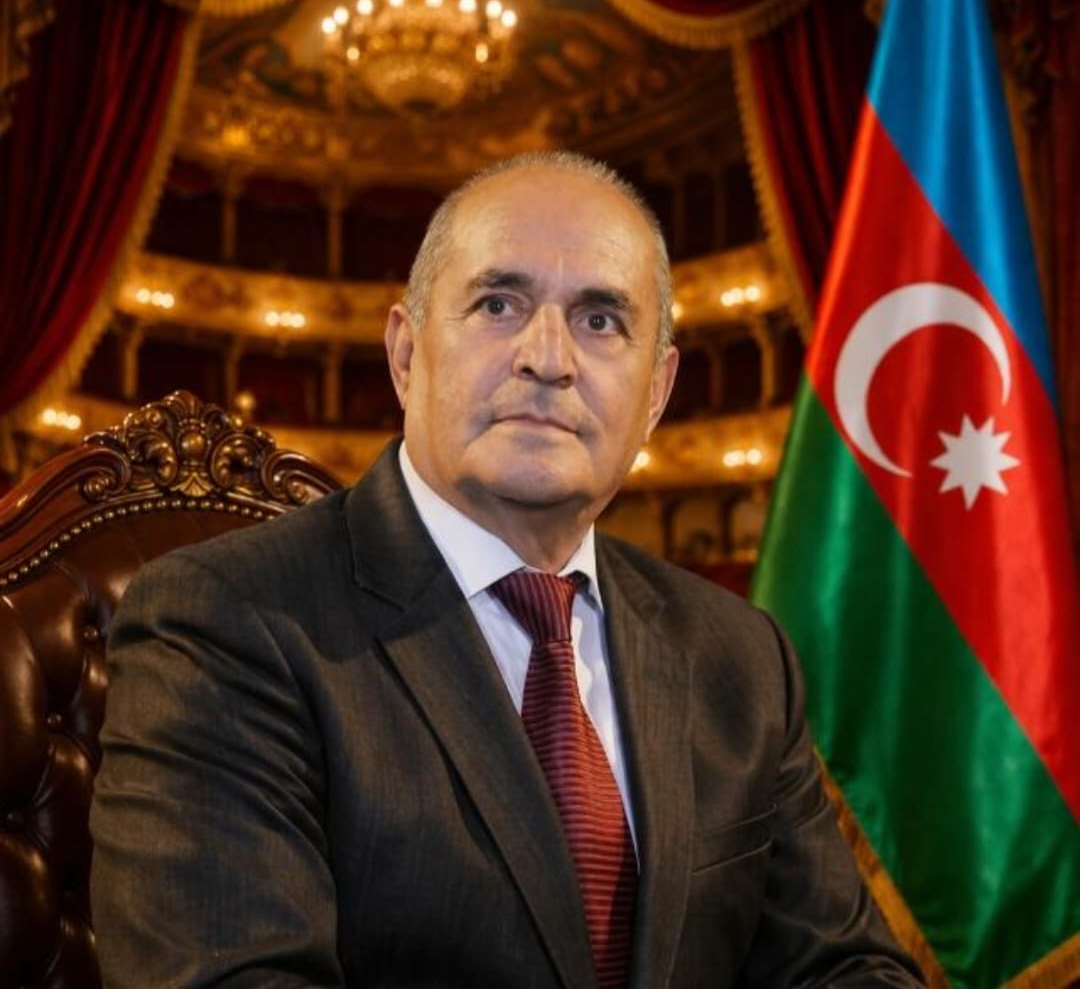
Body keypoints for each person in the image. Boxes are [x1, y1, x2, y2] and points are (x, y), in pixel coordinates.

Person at [89, 150, 925, 989]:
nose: (549, 357)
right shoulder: (226, 622)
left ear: (656, 393)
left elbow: (847, 968)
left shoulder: (741, 655)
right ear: (406, 355)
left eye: (601, 319)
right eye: (499, 304)